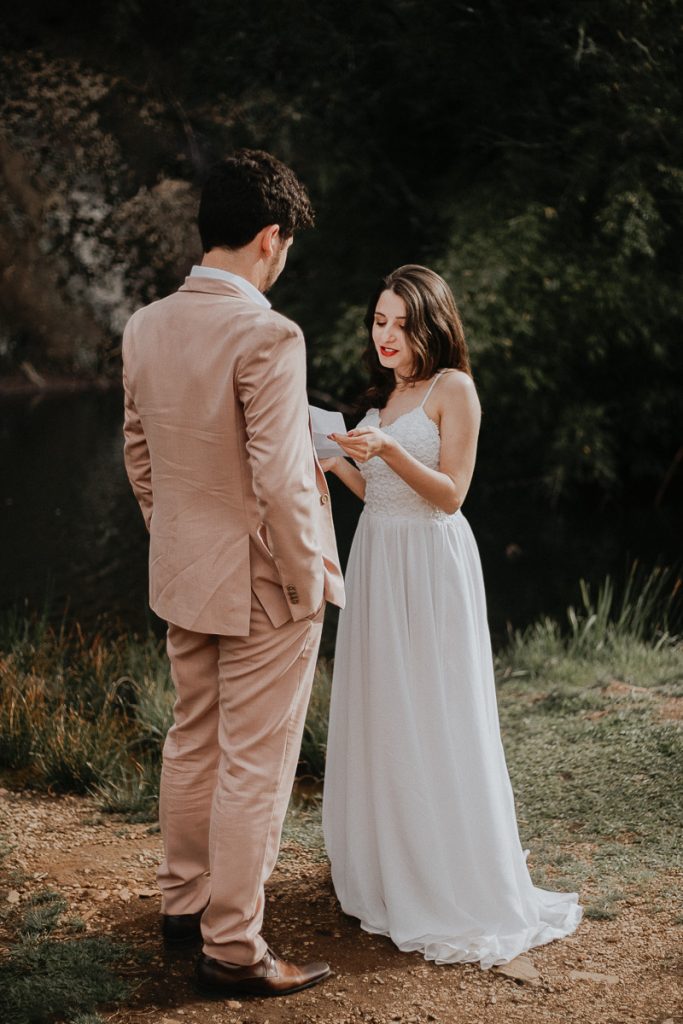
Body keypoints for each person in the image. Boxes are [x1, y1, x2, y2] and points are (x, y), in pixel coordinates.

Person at [122, 149, 344, 998]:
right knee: (254, 762)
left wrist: (179, 538)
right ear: (267, 237)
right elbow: (284, 479)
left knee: (192, 738)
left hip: (184, 572)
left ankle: (183, 908)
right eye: (284, 246)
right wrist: (304, 584)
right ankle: (234, 947)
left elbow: (140, 459)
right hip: (263, 586)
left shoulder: (145, 324)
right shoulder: (268, 333)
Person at [321, 264, 581, 967]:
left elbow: (450, 495)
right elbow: (377, 494)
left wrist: (389, 449)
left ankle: (448, 868)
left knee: (433, 705)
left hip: (431, 567)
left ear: (430, 325)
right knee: (385, 705)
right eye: (379, 321)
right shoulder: (388, 394)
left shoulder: (452, 390)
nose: (386, 335)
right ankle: (387, 858)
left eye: (400, 324)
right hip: (378, 556)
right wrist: (333, 459)